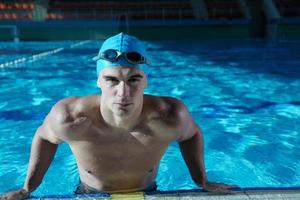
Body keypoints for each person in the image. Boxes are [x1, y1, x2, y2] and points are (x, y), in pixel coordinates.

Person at [1, 33, 238, 200]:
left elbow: (192, 134)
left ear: (146, 80)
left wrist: (201, 181)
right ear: (98, 81)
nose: (123, 93)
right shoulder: (71, 118)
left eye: (133, 79)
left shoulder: (169, 116)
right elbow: (44, 137)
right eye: (112, 80)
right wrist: (27, 188)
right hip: (89, 194)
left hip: (150, 193)